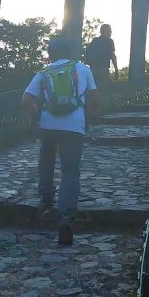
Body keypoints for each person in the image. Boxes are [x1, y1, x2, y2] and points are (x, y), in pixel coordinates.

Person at [22, 35, 99, 246]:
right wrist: (85, 117)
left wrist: (37, 117)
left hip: (48, 124)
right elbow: (95, 98)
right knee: (70, 170)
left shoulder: (44, 72)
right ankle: (65, 217)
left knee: (47, 161)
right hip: (74, 126)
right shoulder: (82, 69)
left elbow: (26, 99)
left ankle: (46, 198)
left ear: (51, 53)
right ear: (70, 52)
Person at [86, 23, 118, 94]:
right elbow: (112, 55)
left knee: (93, 89)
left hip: (93, 69)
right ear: (107, 31)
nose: (111, 32)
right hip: (103, 69)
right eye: (110, 30)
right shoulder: (109, 41)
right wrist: (116, 69)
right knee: (103, 90)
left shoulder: (94, 41)